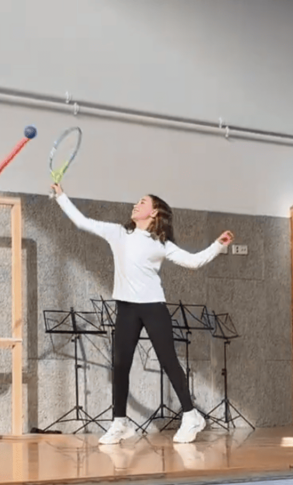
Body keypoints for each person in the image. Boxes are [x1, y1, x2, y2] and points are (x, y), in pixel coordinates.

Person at [51, 182, 234, 444]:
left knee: (168, 361)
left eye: (142, 202)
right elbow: (82, 222)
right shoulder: (118, 233)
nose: (136, 205)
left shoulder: (161, 244)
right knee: (120, 365)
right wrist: (61, 196)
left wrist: (217, 245)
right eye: (137, 201)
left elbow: (193, 262)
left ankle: (191, 416)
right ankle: (120, 423)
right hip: (126, 308)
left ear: (154, 213)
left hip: (153, 307)